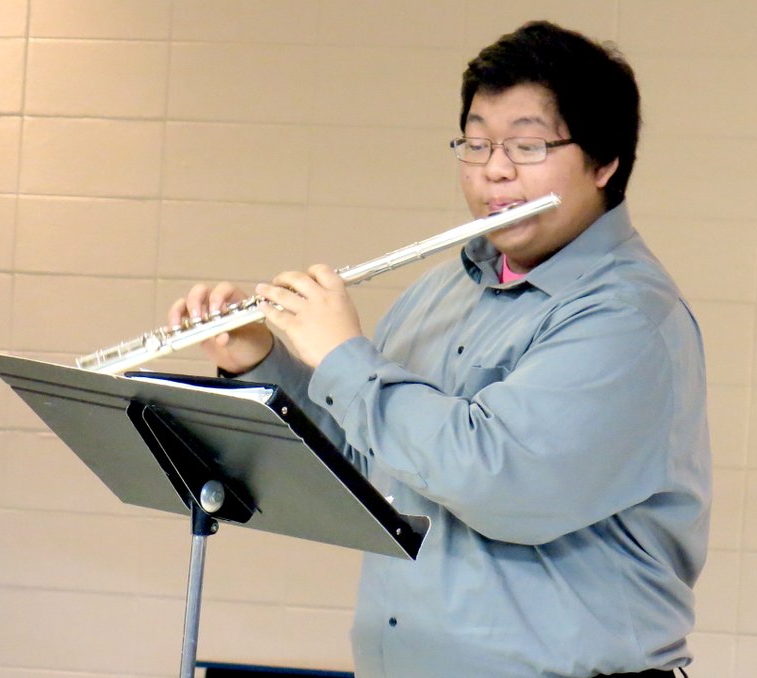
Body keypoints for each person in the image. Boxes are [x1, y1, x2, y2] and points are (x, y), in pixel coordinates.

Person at [169, 21, 710, 678]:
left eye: (528, 146)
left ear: (604, 161)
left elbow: (501, 480)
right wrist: (259, 359)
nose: (495, 170)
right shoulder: (443, 290)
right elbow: (371, 456)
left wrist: (342, 356)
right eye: (476, 144)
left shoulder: (627, 318)